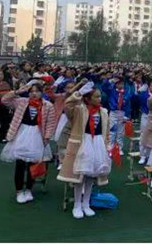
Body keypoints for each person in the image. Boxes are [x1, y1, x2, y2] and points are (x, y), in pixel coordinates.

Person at [57, 82, 111, 219]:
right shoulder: (79, 110)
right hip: (83, 144)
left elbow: (106, 132)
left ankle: (86, 204)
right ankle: (77, 204)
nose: (99, 99)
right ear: (87, 99)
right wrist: (79, 93)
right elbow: (67, 105)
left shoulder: (104, 112)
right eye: (96, 97)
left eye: (100, 96)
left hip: (97, 144)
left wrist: (107, 147)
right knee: (79, 177)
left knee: (91, 176)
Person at [1, 82, 56, 204]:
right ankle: (19, 191)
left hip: (38, 135)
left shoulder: (47, 105)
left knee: (33, 164)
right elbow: (4, 100)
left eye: (37, 91)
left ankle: (29, 189)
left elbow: (51, 123)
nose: (34, 94)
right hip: (22, 134)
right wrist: (17, 92)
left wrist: (47, 137)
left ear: (42, 92)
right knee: (20, 164)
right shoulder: (22, 102)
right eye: (31, 91)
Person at [102, 77, 133, 155]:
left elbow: (128, 104)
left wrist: (126, 115)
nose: (121, 85)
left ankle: (119, 148)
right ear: (116, 84)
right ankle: (110, 148)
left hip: (122, 113)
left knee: (120, 132)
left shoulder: (126, 93)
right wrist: (108, 81)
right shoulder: (111, 91)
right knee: (112, 131)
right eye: (119, 83)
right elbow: (103, 87)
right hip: (113, 112)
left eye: (122, 83)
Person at [136, 80, 152, 164]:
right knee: (143, 136)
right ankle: (142, 155)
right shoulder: (144, 95)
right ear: (149, 87)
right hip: (146, 116)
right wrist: (139, 91)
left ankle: (150, 155)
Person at [0, 69, 12, 144]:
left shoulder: (6, 83)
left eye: (2, 74)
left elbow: (10, 92)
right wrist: (5, 95)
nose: (1, 76)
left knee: (5, 122)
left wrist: (0, 94)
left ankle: (2, 138)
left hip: (5, 105)